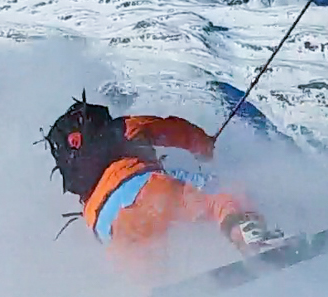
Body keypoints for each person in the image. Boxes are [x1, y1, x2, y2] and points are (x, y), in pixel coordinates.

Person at [41, 99, 283, 259]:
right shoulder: (123, 127)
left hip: (107, 225)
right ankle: (250, 236)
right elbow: (174, 130)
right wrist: (204, 146)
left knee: (142, 262)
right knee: (219, 195)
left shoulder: (82, 183)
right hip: (146, 187)